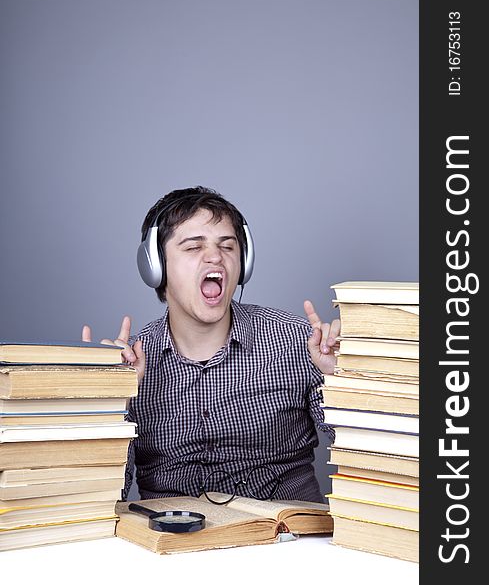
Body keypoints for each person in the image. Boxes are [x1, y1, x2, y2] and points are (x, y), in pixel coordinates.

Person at [82, 186, 340, 503]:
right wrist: (104, 405)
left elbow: (370, 459)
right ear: (156, 267)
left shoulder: (300, 342)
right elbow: (101, 500)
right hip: (174, 543)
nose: (215, 257)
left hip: (289, 540)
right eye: (193, 247)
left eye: (227, 246)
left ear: (243, 264)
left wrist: (344, 380)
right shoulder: (128, 365)